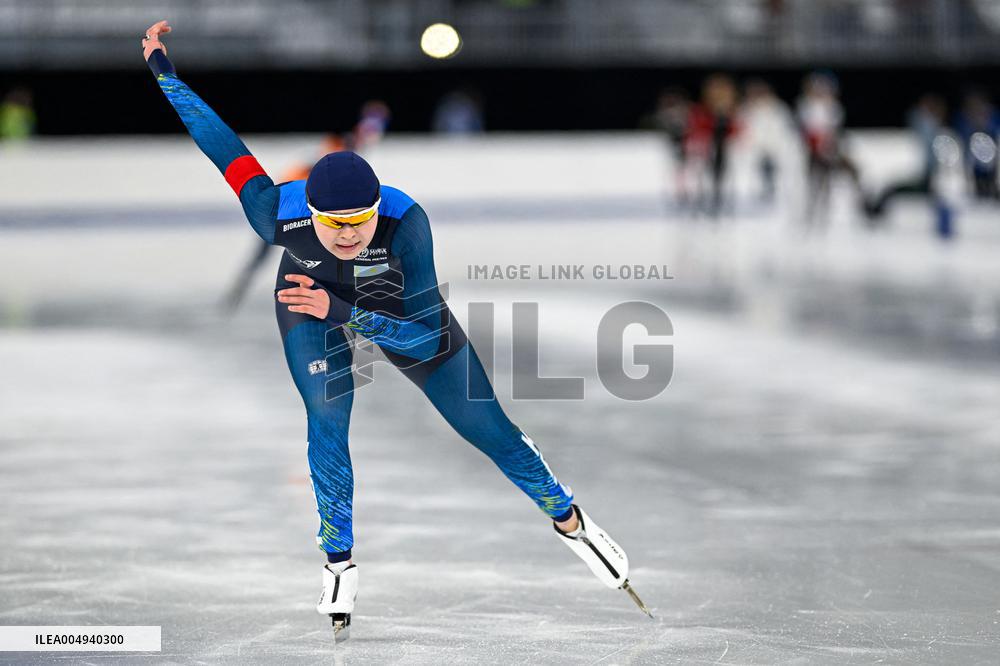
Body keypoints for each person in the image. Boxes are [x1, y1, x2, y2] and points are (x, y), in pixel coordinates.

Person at [140, 20, 649, 640]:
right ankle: (338, 562)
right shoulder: (276, 214)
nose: (349, 234)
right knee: (327, 419)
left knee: (490, 430)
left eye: (361, 220)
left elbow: (423, 340)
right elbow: (222, 146)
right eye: (335, 222)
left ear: (378, 210)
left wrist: (346, 311)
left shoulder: (408, 226)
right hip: (308, 298)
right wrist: (167, 76)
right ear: (312, 214)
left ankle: (569, 518)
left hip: (386, 306)